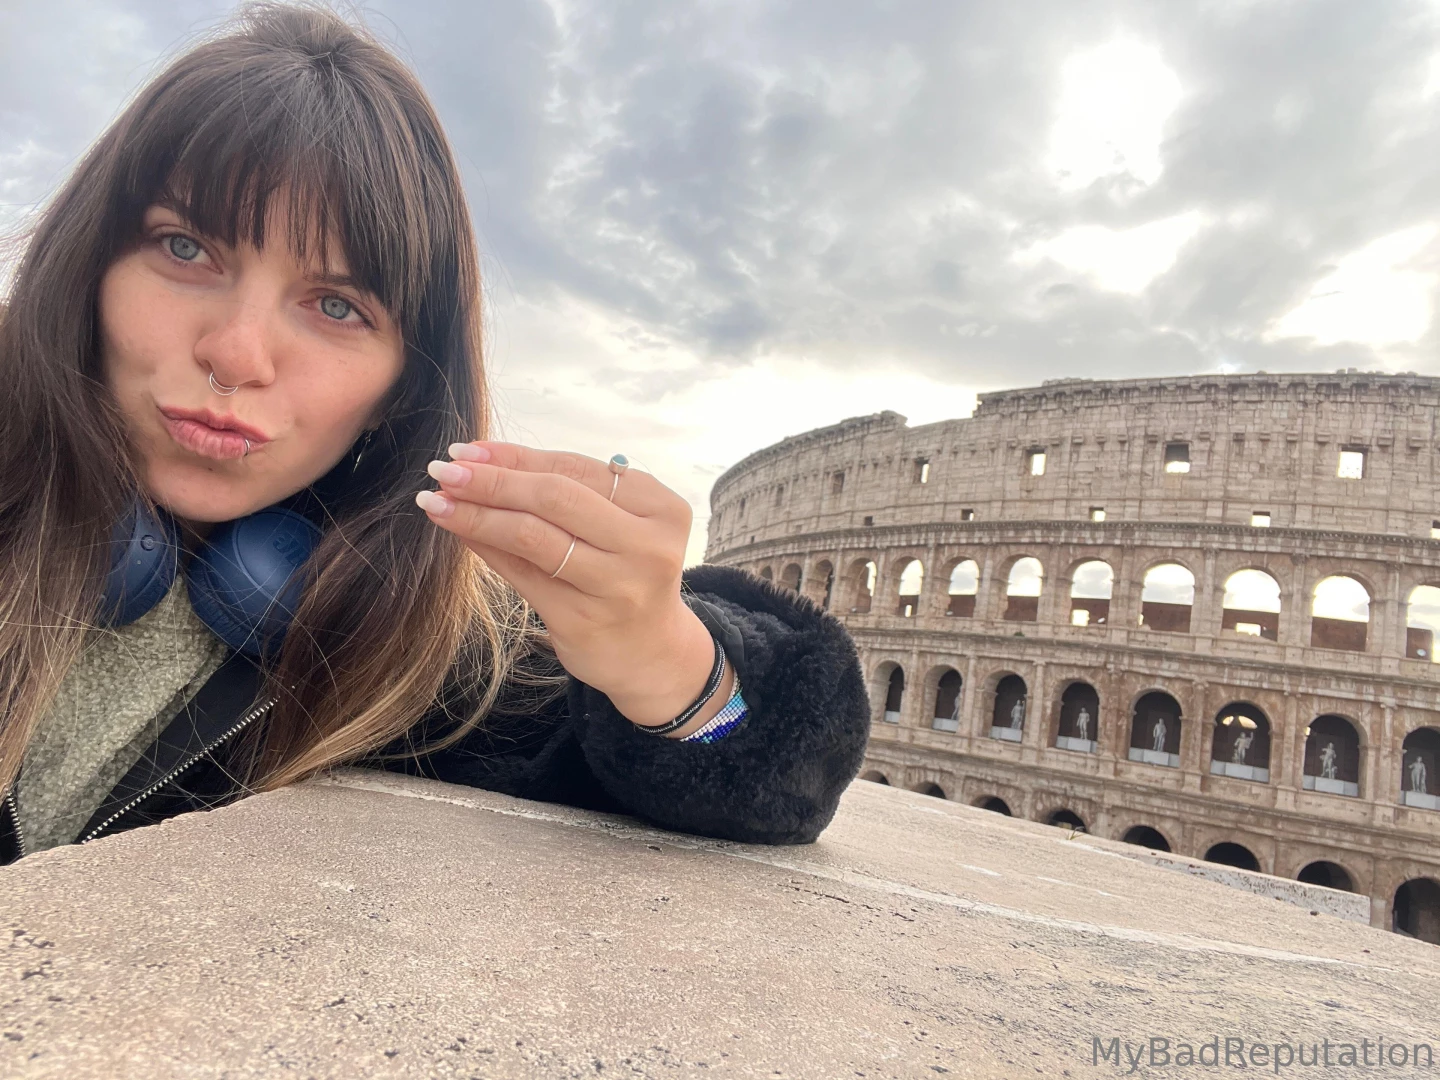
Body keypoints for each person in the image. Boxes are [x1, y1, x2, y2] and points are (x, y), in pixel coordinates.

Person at [0, 3, 869, 862]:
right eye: (185, 249)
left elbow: (767, 766)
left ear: (400, 388)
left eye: (336, 306)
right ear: (90, 266)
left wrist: (675, 668)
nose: (235, 354)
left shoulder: (400, 649)